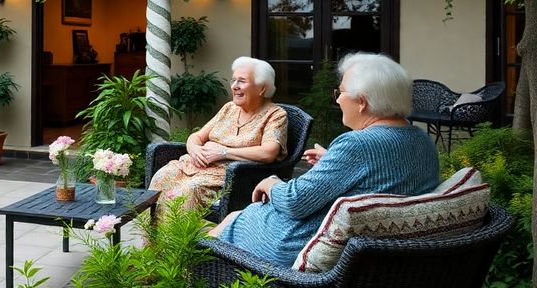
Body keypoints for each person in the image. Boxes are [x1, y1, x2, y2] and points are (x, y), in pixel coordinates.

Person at [211, 52, 440, 266]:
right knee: (236, 217)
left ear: (362, 102)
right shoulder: (423, 141)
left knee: (235, 218)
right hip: (377, 253)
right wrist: (332, 160)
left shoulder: (355, 144)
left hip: (298, 245)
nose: (338, 100)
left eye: (340, 93)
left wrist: (271, 183)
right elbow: (385, 176)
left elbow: (295, 202)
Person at [148, 56, 288, 210]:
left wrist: (223, 152)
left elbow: (268, 153)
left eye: (241, 81)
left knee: (188, 191)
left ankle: (178, 235)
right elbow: (197, 136)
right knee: (161, 178)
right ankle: (150, 234)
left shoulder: (275, 115)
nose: (235, 86)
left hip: (228, 176)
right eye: (233, 80)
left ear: (262, 88)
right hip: (193, 165)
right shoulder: (229, 108)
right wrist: (194, 149)